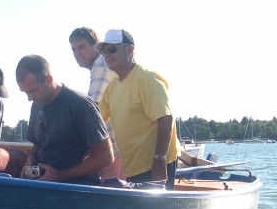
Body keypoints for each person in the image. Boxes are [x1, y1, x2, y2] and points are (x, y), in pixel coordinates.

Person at [97, 29, 178, 189]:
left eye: (112, 49)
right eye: (104, 51)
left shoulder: (147, 79)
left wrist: (159, 160)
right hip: (133, 169)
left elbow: (165, 118)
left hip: (155, 166)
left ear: (130, 49)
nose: (107, 55)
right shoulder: (112, 88)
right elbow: (96, 121)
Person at [15, 54, 113, 185]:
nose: (29, 98)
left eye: (33, 91)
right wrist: (30, 159)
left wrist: (61, 176)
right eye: (25, 92)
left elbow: (105, 156)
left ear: (48, 80)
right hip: (43, 186)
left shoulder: (80, 105)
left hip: (76, 190)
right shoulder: (36, 105)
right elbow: (38, 145)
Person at [68, 27, 123, 179]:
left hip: (117, 151)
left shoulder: (101, 63)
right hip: (120, 148)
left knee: (111, 190)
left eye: (81, 47)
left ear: (96, 46)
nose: (77, 53)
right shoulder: (103, 65)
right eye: (73, 49)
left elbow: (92, 108)